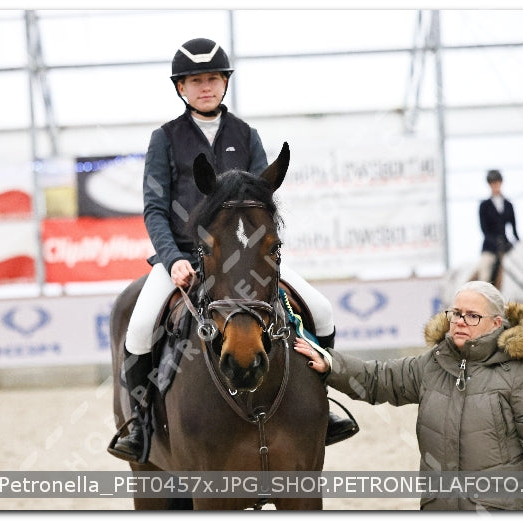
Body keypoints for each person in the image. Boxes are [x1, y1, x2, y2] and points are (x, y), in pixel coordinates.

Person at [108, 37, 357, 463]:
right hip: (185, 258)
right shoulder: (165, 139)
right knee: (139, 326)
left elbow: (263, 198)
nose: (205, 87)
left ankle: (324, 404)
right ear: (181, 88)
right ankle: (142, 423)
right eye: (195, 81)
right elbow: (154, 207)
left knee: (322, 308)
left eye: (213, 79)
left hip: (246, 257)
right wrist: (173, 260)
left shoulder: (247, 135)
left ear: (224, 83)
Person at [295, 280, 523, 510]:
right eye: (456, 313)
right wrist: (331, 364)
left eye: (472, 316)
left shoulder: (522, 373)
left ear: (496, 323)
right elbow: (378, 378)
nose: (461, 321)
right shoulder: (433, 363)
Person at [478, 169, 520, 284]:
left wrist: (518, 244)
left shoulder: (508, 205)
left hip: (506, 247)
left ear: (501, 183)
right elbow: (484, 230)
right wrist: (496, 242)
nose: (495, 185)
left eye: (497, 182)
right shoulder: (484, 206)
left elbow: (514, 229)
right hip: (490, 248)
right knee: (484, 276)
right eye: (492, 183)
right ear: (489, 185)